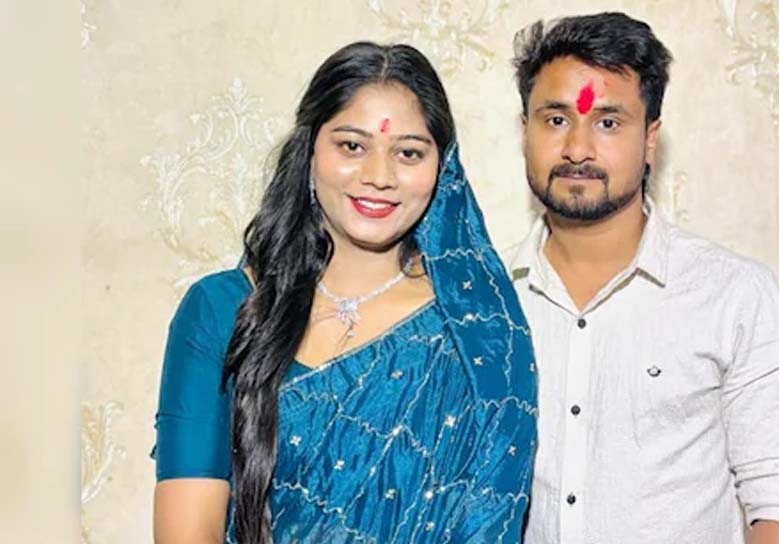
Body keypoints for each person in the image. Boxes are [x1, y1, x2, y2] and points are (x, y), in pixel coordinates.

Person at [151, 41, 537, 544]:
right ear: (310, 150)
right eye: (352, 146)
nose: (379, 177)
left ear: (442, 168)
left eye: (408, 153)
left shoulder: (478, 330)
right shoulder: (222, 309)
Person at [504, 13, 779, 543]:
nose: (578, 149)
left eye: (608, 123)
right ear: (525, 132)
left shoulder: (735, 296)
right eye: (556, 120)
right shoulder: (489, 300)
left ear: (650, 139)